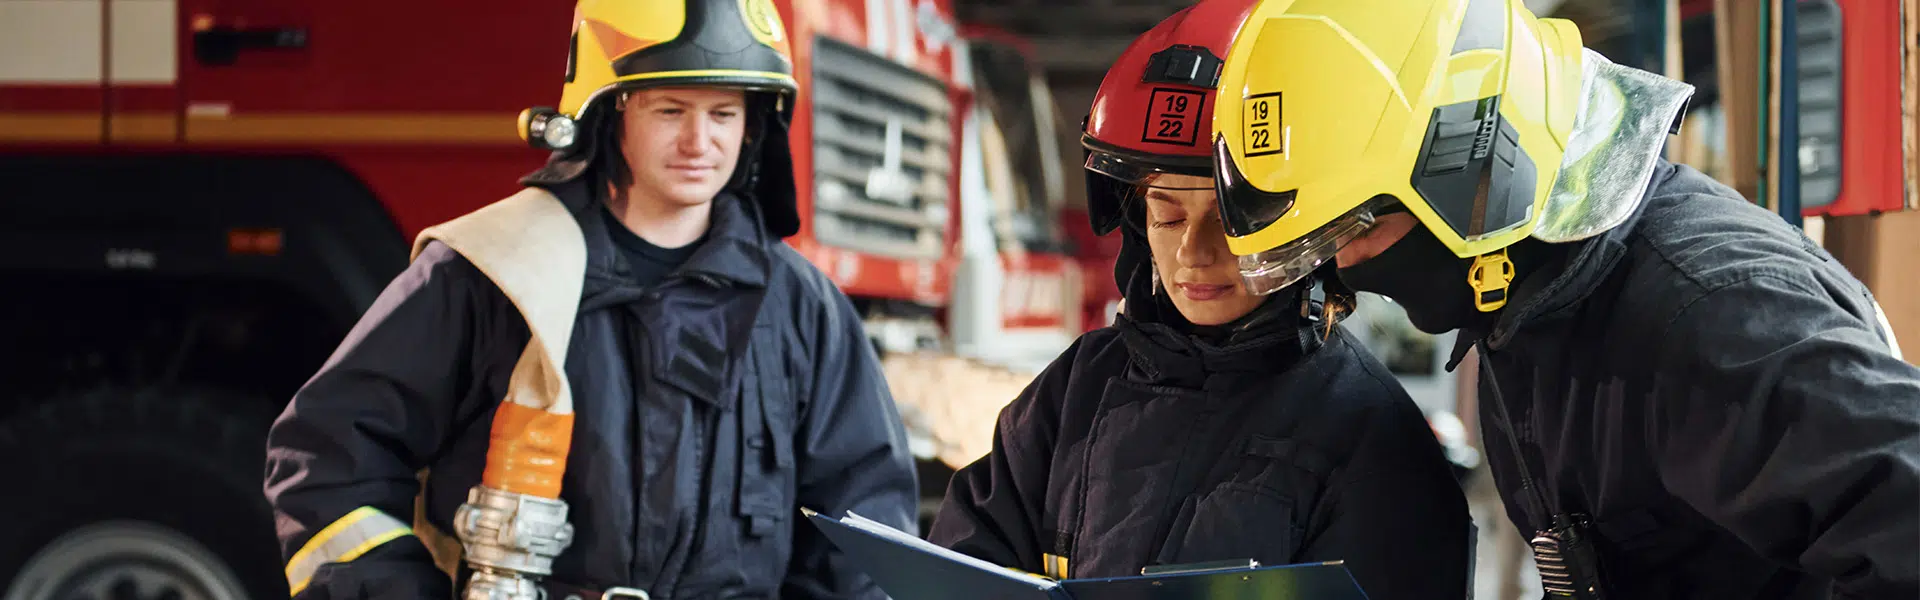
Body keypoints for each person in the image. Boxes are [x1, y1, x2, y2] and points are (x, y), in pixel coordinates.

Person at [1207, 1, 1920, 598]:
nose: (1342, 262)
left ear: (1471, 161)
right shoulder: (1538, 296)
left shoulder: (1710, 317)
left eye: (1355, 225)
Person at [260, 1, 920, 598]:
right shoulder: (495, 273)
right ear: (610, 114)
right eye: (671, 110)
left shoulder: (802, 309)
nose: (700, 141)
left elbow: (860, 537)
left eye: (723, 113)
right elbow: (328, 453)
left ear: (753, 128)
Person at [925, 2, 1475, 599]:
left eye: (1229, 220)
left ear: (1298, 225)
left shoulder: (1373, 437)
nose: (1194, 251)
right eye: (1166, 213)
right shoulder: (1076, 390)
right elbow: (967, 557)